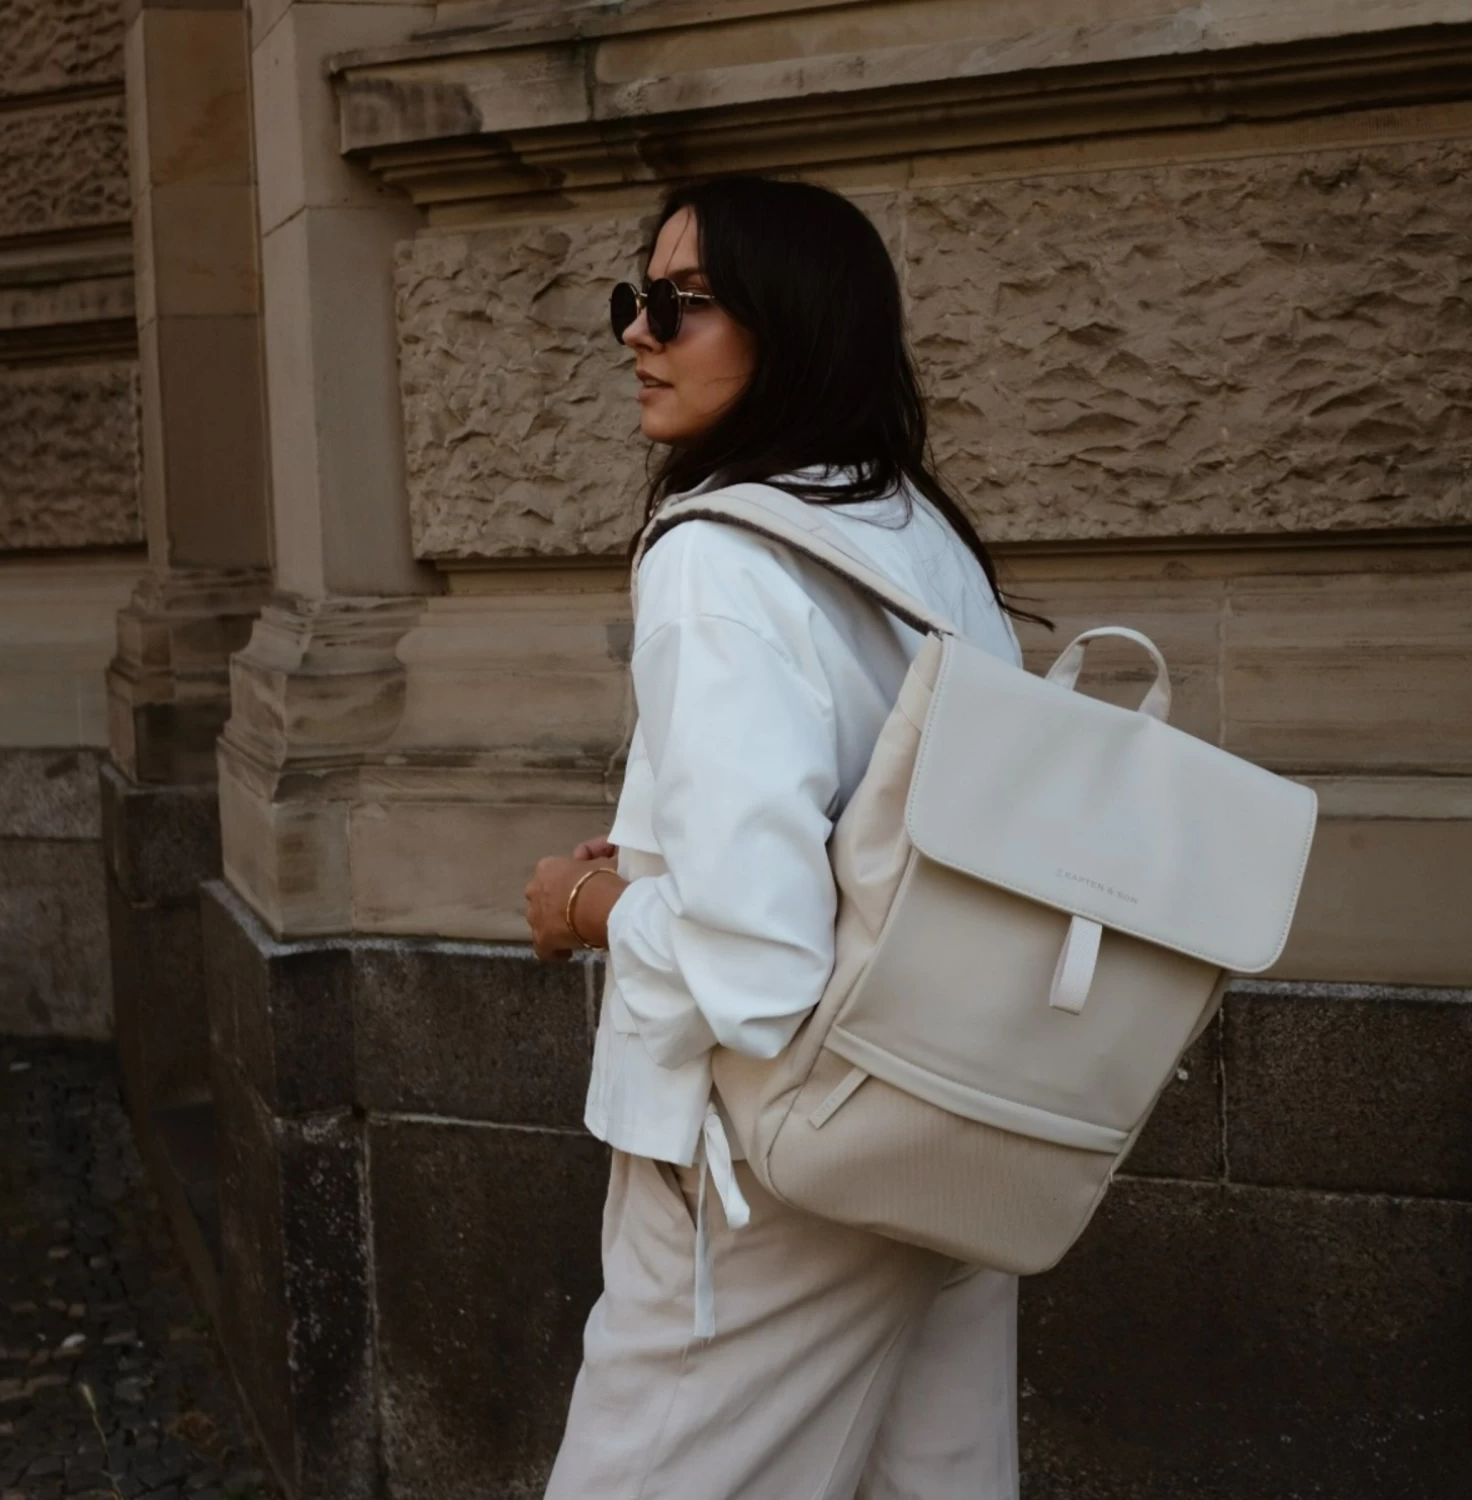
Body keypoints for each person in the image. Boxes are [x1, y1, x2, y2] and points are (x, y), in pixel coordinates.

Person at [524, 175, 1028, 1500]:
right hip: (947, 1121)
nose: (636, 331)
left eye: (681, 303)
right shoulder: (916, 533)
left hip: (769, 1170)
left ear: (793, 322)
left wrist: (583, 907)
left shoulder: (716, 559)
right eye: (636, 298)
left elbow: (756, 968)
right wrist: (663, 867)